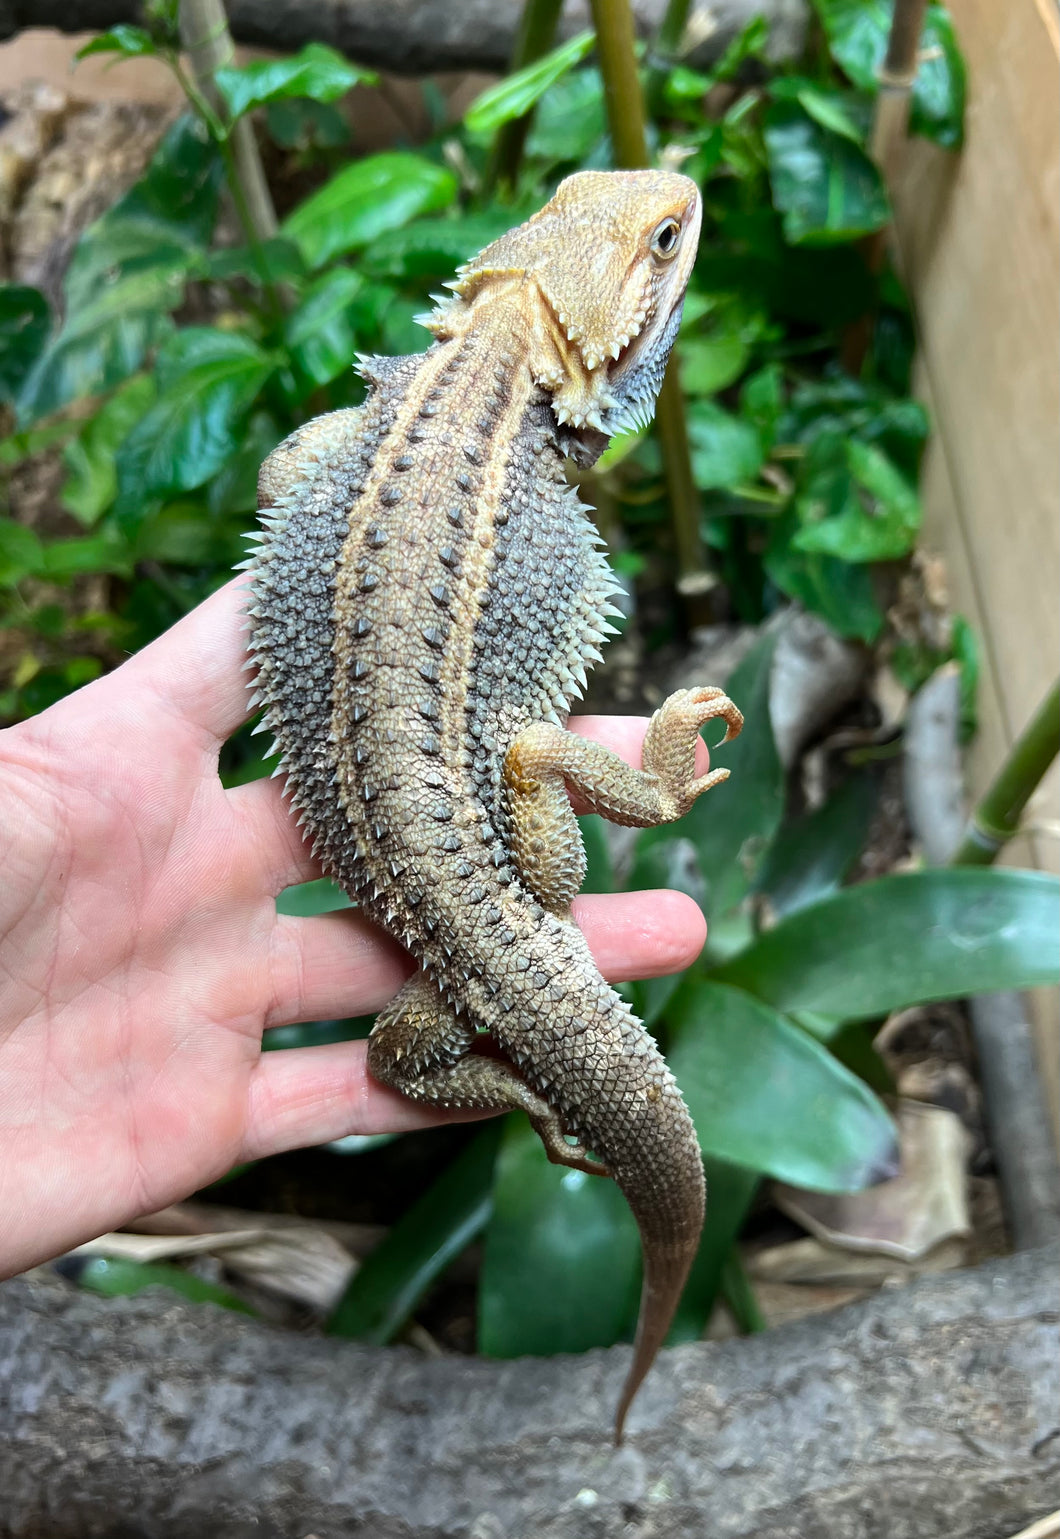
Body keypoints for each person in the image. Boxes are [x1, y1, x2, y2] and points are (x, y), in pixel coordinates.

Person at [0, 579, 710, 1279]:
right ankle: (655, 793)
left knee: (399, 1060)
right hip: (530, 888)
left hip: (489, 922)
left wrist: (518, 1088)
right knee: (530, 755)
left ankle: (648, 804)